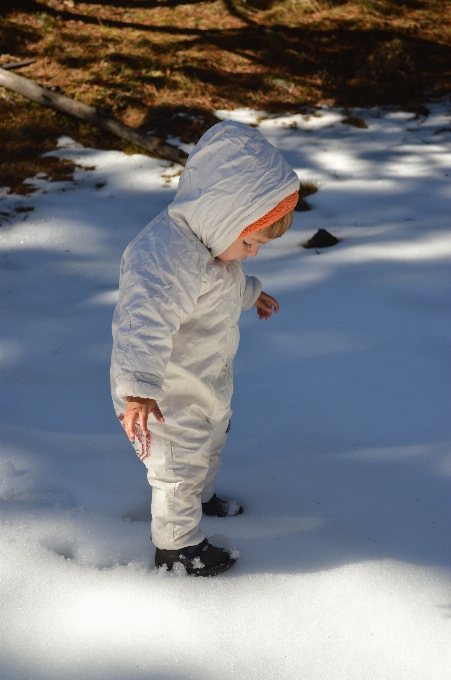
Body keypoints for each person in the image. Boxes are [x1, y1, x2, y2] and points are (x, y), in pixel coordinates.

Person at [111, 120, 299, 577]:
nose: (252, 253)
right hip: (164, 393)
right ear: (222, 216)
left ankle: (200, 498)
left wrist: (252, 293)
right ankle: (176, 547)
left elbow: (223, 286)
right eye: (251, 242)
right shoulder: (162, 258)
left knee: (211, 445)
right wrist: (139, 388)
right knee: (179, 464)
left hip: (207, 380)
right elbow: (142, 323)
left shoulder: (212, 245)